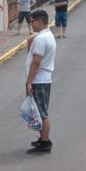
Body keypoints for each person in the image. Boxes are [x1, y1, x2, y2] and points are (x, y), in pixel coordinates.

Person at [26, 10, 57, 154]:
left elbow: (36, 62)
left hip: (39, 79)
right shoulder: (47, 36)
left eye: (32, 21)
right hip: (44, 78)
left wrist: (29, 82)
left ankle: (45, 142)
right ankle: (42, 138)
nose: (31, 24)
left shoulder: (40, 39)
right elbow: (32, 56)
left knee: (41, 112)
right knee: (39, 110)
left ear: (39, 21)